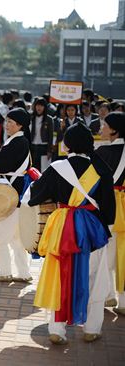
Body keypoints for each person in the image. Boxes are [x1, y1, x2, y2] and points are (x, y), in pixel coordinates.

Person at [28, 123, 115, 345]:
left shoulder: (57, 167)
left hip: (62, 229)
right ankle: (92, 329)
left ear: (66, 145)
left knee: (60, 276)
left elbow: (34, 197)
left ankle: (57, 329)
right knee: (94, 279)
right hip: (93, 231)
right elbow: (110, 212)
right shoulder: (102, 170)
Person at [0, 108, 33, 282]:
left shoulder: (18, 142)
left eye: (11, 122)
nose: (7, 125)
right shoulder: (19, 141)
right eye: (6, 121)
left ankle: (4, 271)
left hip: (10, 194)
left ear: (20, 125)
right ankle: (23, 272)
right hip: (16, 192)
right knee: (16, 237)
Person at [95, 112, 125, 315]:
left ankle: (107, 295)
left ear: (114, 130)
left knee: (104, 253)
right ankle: (123, 301)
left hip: (107, 207)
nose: (101, 128)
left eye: (105, 125)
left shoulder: (101, 153)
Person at [30, 98, 54, 171]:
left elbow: (51, 136)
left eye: (41, 106)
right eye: (37, 105)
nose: (39, 107)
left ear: (45, 107)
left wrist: (49, 150)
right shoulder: (31, 117)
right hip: (33, 146)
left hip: (44, 147)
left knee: (43, 169)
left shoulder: (49, 119)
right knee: (32, 168)